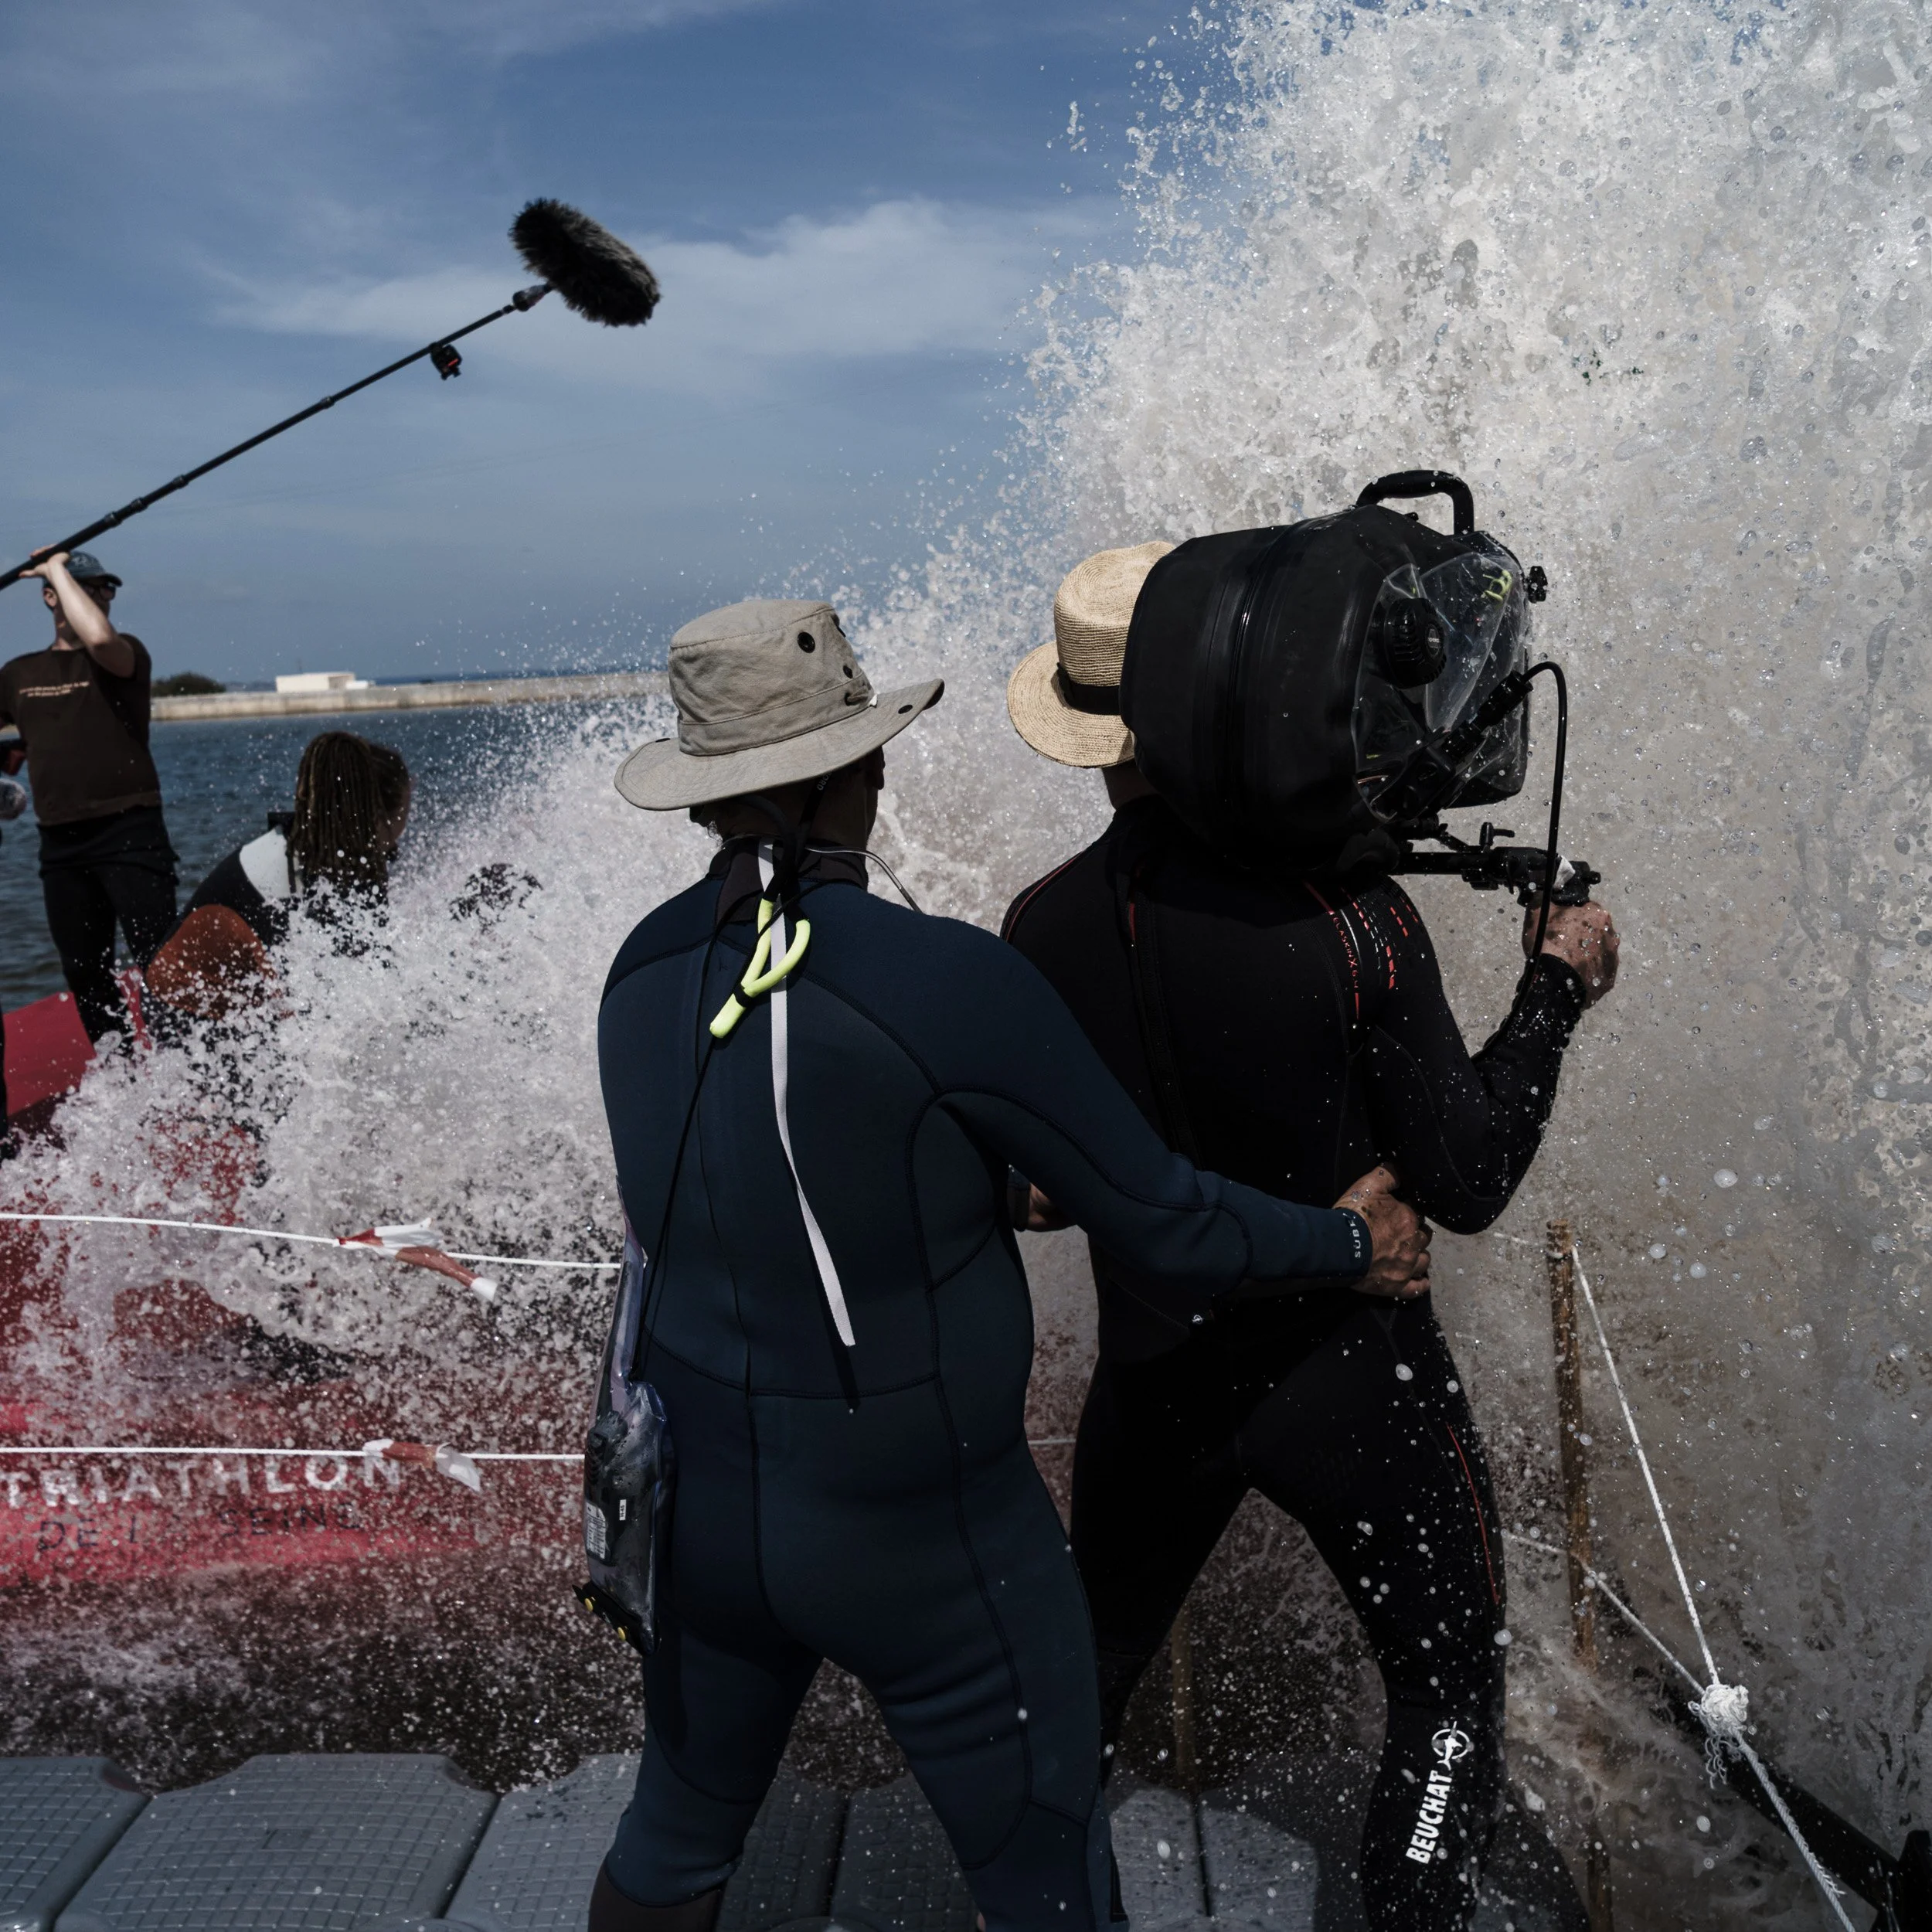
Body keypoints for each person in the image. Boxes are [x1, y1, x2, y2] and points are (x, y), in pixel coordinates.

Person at [587, 597, 1430, 1932]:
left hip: (708, 1520)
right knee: (1046, 1878)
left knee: (673, 1849)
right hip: (923, 1534)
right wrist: (1349, 1241)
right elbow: (1169, 1223)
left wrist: (966, 1179)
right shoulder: (939, 978)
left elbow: (759, 1185)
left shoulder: (636, 971)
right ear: (851, 770)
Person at [1001, 545, 1621, 1931]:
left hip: (1153, 1384)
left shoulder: (1035, 929)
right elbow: (1464, 1179)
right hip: (1352, 1385)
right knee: (1446, 1689)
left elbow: (1032, 1178)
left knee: (1086, 1682)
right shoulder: (1351, 923)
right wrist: (1554, 991)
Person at [0, 549, 177, 1043]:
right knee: (83, 972)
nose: (102, 595)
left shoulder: (125, 653)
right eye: (89, 587)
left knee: (160, 962)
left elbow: (98, 635)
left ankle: (185, 1070)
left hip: (131, 831)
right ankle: (120, 1078)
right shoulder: (18, 674)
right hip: (60, 843)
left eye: (106, 588)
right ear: (51, 599)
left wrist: (54, 565)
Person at [143, 731, 412, 1020]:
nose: (404, 830)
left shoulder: (343, 859)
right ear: (375, 814)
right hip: (185, 1018)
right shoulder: (281, 874)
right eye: (406, 810)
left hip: (244, 1005)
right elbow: (309, 1002)